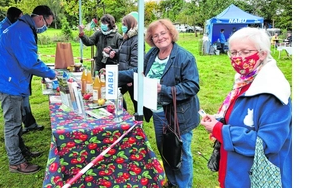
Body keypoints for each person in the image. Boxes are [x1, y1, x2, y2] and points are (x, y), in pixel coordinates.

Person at [200, 27, 292, 188]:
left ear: (262, 54)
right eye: (234, 52)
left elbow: (268, 143)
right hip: (234, 172)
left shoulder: (271, 91)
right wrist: (220, 120)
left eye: (244, 51)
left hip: (254, 178)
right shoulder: (245, 81)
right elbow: (240, 117)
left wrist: (220, 130)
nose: (238, 58)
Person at [119, 18, 200, 188]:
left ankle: (184, 185)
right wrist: (115, 74)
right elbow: (137, 71)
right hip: (157, 113)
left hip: (178, 115)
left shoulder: (185, 57)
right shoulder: (152, 54)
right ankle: (172, 182)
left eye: (163, 33)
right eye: (155, 35)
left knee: (181, 153)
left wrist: (163, 89)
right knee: (165, 150)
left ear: (171, 33)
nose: (160, 38)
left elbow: (192, 86)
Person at [0, 5, 58, 174]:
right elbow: (29, 62)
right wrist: (51, 74)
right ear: (40, 18)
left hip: (10, 79)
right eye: (47, 23)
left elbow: (28, 57)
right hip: (7, 82)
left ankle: (21, 153)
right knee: (13, 123)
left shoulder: (23, 27)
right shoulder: (23, 30)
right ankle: (16, 162)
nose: (46, 27)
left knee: (16, 121)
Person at [0, 7, 44, 134]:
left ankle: (29, 124)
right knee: (15, 109)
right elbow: (13, 52)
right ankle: (19, 133)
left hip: (16, 73)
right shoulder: (5, 30)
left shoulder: (12, 27)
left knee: (24, 98)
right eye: (20, 18)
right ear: (15, 17)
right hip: (9, 76)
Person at [113, 13, 139, 113]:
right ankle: (124, 114)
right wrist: (114, 52)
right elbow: (123, 52)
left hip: (129, 76)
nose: (122, 26)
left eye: (124, 24)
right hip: (123, 74)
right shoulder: (127, 37)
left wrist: (131, 78)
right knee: (117, 95)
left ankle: (138, 121)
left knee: (136, 101)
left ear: (130, 24)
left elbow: (135, 60)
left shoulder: (136, 39)